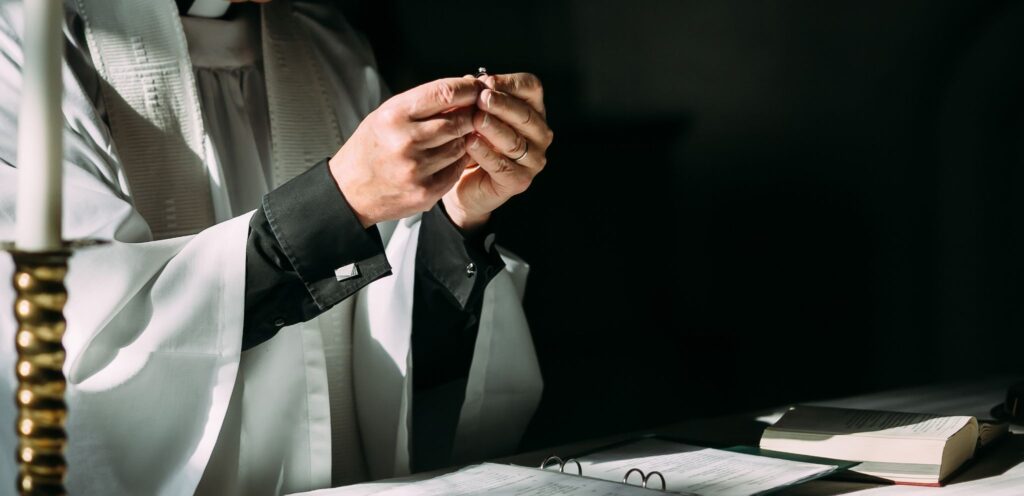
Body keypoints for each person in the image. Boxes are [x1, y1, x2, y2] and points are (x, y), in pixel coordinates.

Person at [0, 0, 553, 494]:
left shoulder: (328, 45)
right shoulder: (27, 40)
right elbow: (80, 339)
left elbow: (388, 339)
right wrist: (338, 201)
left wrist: (454, 218)